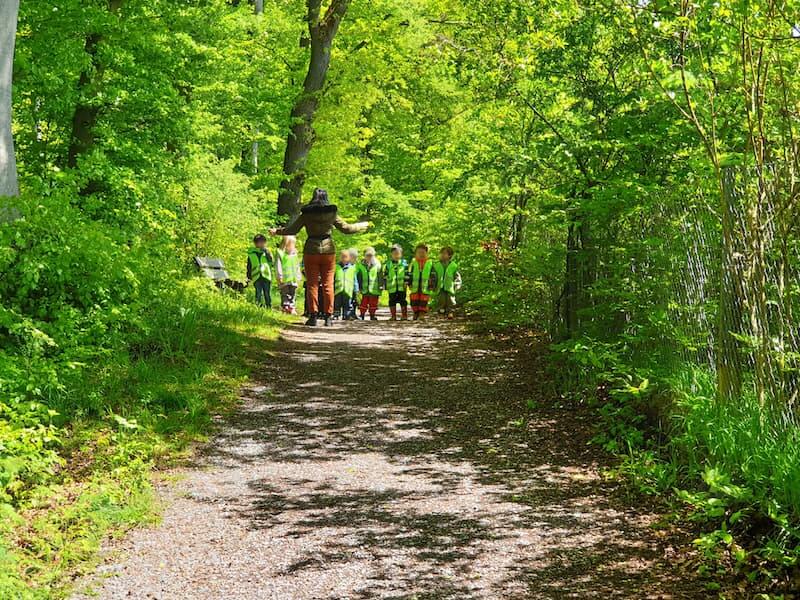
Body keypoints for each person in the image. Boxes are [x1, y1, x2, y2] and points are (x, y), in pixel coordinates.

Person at [269, 188, 368, 326]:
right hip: (328, 251)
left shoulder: (307, 214)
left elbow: (292, 230)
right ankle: (328, 317)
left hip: (311, 250)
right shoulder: (331, 213)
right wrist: (361, 225)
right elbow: (347, 229)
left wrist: (277, 231)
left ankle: (313, 316)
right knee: (328, 284)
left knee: (312, 284)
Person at [432, 246, 462, 319]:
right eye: (441, 253)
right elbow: (432, 275)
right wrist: (432, 285)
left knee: (450, 300)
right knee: (441, 300)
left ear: (449, 255)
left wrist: (457, 284)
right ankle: (441, 312)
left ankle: (450, 312)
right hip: (440, 286)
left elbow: (457, 276)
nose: (442, 255)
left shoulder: (453, 265)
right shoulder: (436, 265)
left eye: (444, 253)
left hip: (450, 286)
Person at [275, 236, 302, 314]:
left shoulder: (294, 255)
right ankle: (285, 307)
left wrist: (298, 276)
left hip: (293, 279)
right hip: (284, 279)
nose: (292, 247)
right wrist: (279, 276)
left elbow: (297, 266)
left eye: (293, 245)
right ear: (285, 245)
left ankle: (292, 307)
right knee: (285, 293)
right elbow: (278, 265)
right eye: (290, 245)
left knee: (293, 294)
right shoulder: (281, 254)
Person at [408, 244, 434, 320]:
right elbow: (410, 274)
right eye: (419, 252)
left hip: (425, 286)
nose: (421, 254)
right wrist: (409, 283)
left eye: (423, 252)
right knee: (414, 300)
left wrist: (432, 285)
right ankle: (415, 313)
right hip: (415, 286)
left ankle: (422, 314)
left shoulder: (430, 263)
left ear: (427, 253)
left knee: (424, 300)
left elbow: (433, 275)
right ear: (415, 254)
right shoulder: (413, 263)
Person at [383, 244, 409, 321]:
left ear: (401, 254)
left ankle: (404, 315)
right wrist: (385, 285)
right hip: (392, 287)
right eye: (394, 254)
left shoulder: (404, 264)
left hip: (402, 286)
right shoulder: (388, 264)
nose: (396, 255)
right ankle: (393, 316)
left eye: (398, 254)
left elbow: (407, 274)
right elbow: (385, 275)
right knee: (392, 301)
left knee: (403, 301)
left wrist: (406, 282)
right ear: (391, 254)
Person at [247, 234, 273, 308]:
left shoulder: (267, 252)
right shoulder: (251, 254)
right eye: (260, 242)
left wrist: (267, 253)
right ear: (255, 243)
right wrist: (248, 276)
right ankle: (258, 306)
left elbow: (271, 262)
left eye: (263, 242)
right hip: (256, 276)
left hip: (266, 276)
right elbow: (249, 266)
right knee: (258, 293)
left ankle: (268, 306)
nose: (261, 244)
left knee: (267, 293)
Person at [357, 247, 382, 321]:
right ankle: (362, 315)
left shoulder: (377, 264)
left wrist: (381, 285)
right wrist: (359, 286)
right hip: (364, 288)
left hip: (374, 288)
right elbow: (359, 276)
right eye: (367, 255)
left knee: (373, 303)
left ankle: (372, 315)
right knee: (363, 302)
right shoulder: (360, 265)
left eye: (371, 256)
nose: (369, 257)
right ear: (364, 256)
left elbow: (380, 276)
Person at [333, 249, 359, 320]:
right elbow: (333, 278)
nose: (344, 259)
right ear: (340, 258)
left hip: (348, 290)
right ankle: (336, 315)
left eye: (345, 257)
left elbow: (355, 279)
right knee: (337, 303)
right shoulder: (336, 267)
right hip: (338, 290)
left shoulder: (352, 268)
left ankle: (346, 315)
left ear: (349, 258)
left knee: (347, 304)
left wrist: (356, 289)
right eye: (342, 257)